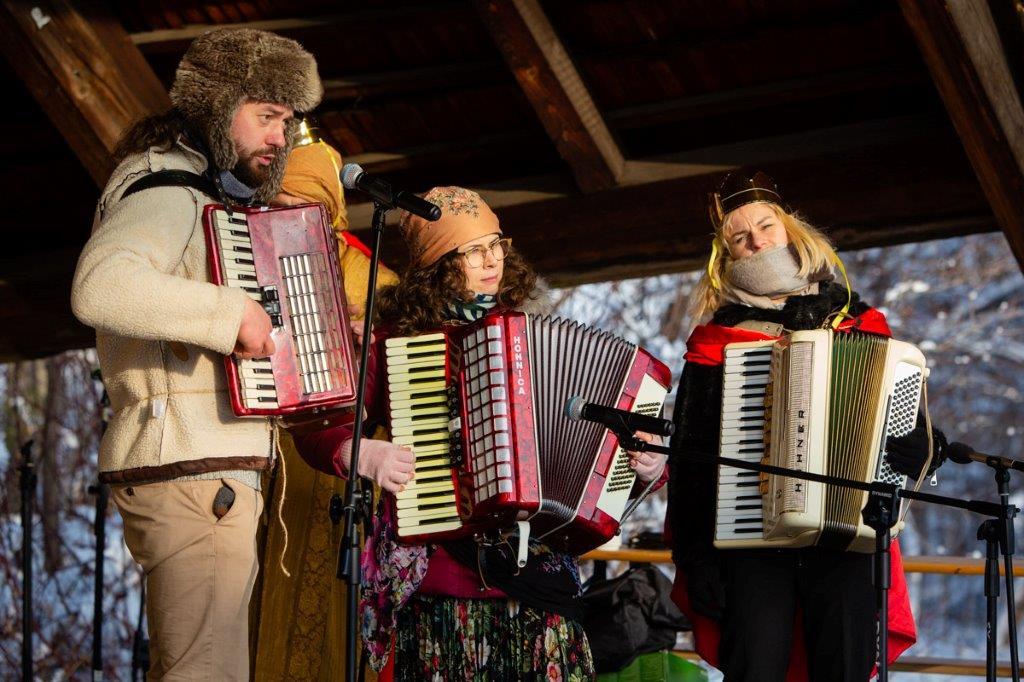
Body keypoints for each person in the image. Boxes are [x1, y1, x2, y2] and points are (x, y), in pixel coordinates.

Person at [291, 185, 668, 680]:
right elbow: (314, 424)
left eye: (496, 244)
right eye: (473, 250)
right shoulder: (392, 340)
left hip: (539, 585)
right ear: (439, 262)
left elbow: (596, 462)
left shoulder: (531, 337)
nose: (492, 260)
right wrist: (361, 454)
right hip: (443, 585)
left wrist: (650, 468)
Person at [70, 28, 322, 680]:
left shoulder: (194, 196)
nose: (280, 137)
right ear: (217, 106)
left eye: (287, 121)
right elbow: (101, 285)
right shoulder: (167, 191)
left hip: (204, 472)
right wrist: (233, 313)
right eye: (266, 116)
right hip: (191, 473)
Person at [666, 171, 946, 682]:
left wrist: (921, 447)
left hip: (845, 533)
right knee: (757, 667)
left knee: (844, 666)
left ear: (790, 229)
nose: (757, 241)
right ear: (728, 255)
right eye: (740, 237)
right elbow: (690, 460)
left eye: (766, 226)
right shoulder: (717, 340)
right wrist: (697, 557)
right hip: (752, 536)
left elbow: (903, 422)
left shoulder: (857, 321)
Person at [249, 127, 400, 679]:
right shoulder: (245, 255)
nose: (286, 213)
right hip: (264, 458)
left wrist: (371, 346)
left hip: (341, 468)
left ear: (330, 211)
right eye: (277, 201)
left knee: (333, 618)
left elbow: (397, 395)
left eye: (303, 204)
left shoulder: (380, 281)